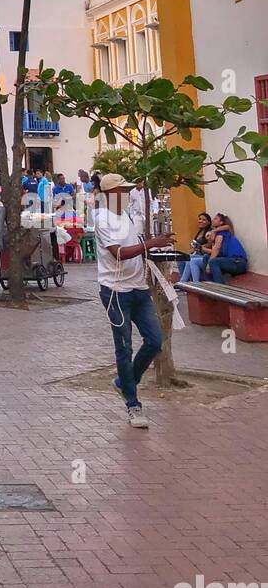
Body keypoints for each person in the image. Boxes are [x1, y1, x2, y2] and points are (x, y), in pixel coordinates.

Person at [94, 172, 173, 428]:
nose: (128, 194)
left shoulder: (126, 216)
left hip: (138, 288)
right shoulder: (103, 218)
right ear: (111, 194)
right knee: (124, 346)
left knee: (154, 341)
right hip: (115, 291)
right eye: (123, 190)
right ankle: (132, 404)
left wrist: (154, 249)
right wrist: (151, 243)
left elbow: (136, 249)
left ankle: (125, 382)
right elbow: (119, 254)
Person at [206, 213, 247, 282]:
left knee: (213, 262)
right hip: (230, 261)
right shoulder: (217, 234)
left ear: (221, 222)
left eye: (215, 219)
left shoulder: (222, 233)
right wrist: (211, 240)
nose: (213, 220)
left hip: (238, 262)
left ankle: (219, 287)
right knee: (206, 257)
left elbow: (217, 249)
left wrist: (208, 264)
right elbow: (215, 251)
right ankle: (209, 284)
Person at [177, 212, 214, 286]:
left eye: (204, 220)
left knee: (189, 259)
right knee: (180, 258)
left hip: (204, 254)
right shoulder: (200, 231)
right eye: (200, 219)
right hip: (197, 253)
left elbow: (210, 244)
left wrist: (200, 247)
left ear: (209, 222)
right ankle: (184, 280)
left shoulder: (209, 232)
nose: (201, 221)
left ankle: (183, 282)